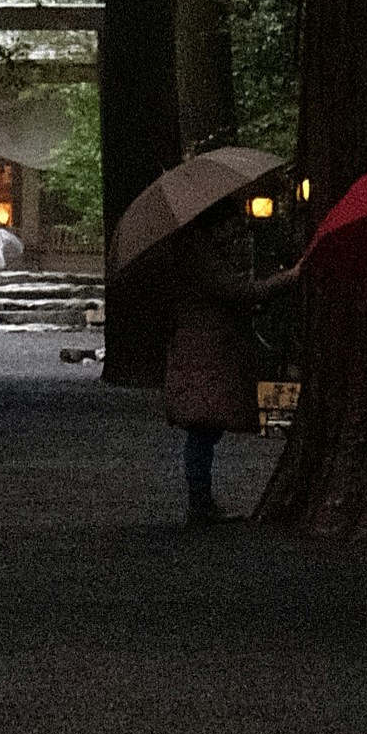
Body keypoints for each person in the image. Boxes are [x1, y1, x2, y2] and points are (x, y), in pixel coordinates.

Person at [160, 196, 274, 524]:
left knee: (204, 429)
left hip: (199, 350)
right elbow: (237, 291)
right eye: (231, 227)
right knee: (202, 429)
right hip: (203, 353)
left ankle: (201, 500)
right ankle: (200, 502)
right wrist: (290, 278)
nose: (236, 233)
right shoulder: (202, 258)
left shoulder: (196, 255)